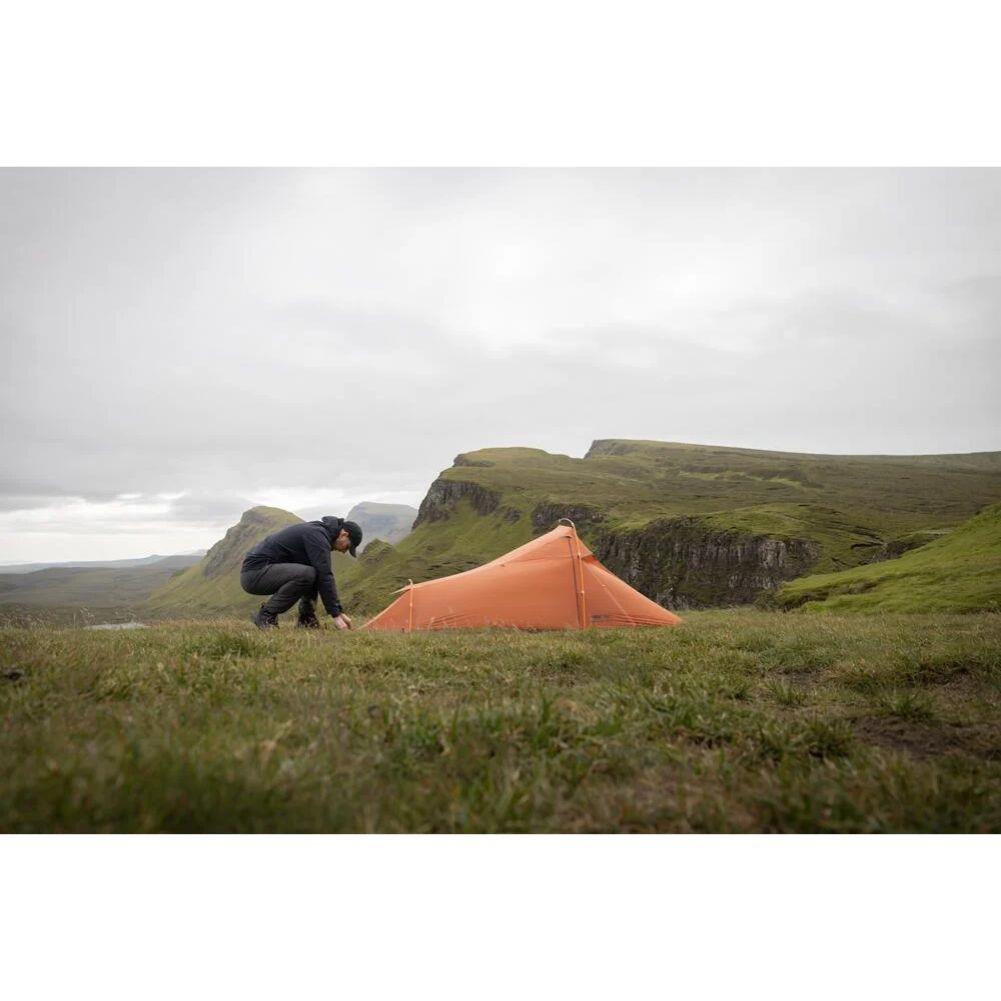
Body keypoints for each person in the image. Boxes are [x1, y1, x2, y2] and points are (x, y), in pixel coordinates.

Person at [240, 515, 362, 630]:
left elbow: (320, 575)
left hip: (261, 572)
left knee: (312, 572)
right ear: (344, 534)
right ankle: (266, 616)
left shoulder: (320, 533)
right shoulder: (317, 535)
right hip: (255, 574)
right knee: (307, 574)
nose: (344, 551)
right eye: (347, 547)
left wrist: (337, 610)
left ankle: (306, 619)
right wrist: (336, 614)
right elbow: (325, 575)